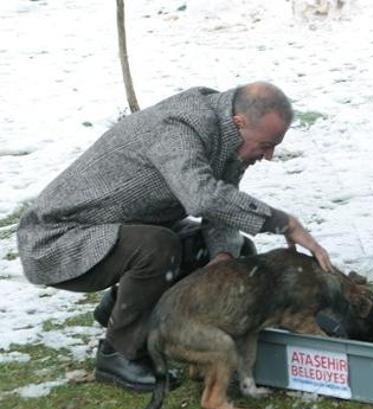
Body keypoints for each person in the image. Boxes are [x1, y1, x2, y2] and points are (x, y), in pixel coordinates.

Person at [16, 82, 333, 392]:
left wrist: (221, 256)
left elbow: (221, 208)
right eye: (265, 145)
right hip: (57, 239)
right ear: (239, 122)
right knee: (159, 249)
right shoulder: (182, 125)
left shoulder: (230, 137)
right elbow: (201, 197)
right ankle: (118, 353)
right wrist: (283, 223)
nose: (269, 156)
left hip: (116, 230)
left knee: (234, 250)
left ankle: (122, 311)